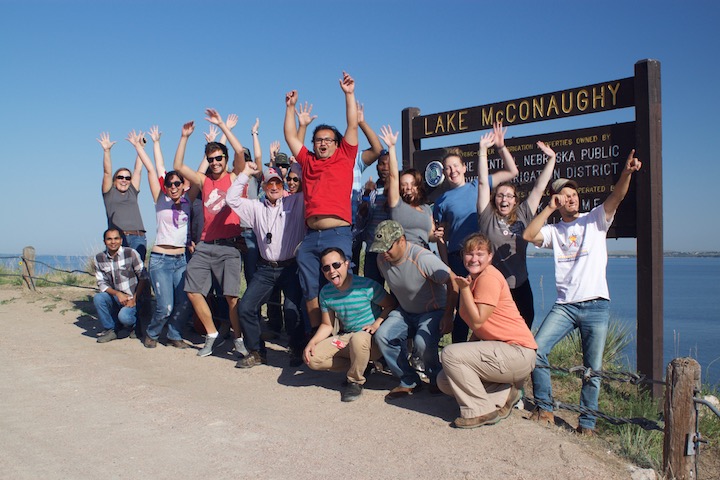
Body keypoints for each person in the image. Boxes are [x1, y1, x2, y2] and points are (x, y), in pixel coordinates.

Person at [522, 149, 642, 435]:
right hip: (565, 305)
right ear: (558, 201)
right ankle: (545, 408)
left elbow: (618, 197)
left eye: (573, 194)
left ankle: (586, 424)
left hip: (596, 305)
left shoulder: (596, 219)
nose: (571, 198)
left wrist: (626, 173)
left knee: (593, 370)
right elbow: (528, 235)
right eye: (564, 196)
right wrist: (549, 208)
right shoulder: (554, 230)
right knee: (536, 350)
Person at [283, 71, 358, 332]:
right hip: (310, 236)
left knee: (341, 282)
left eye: (328, 140)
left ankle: (351, 336)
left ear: (337, 144)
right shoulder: (308, 161)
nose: (323, 143)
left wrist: (349, 94)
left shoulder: (345, 157)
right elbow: (291, 137)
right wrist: (290, 108)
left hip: (337, 233)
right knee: (310, 288)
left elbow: (351, 126)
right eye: (318, 140)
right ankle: (319, 337)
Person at [437, 233, 537, 428]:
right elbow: (481, 329)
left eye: (480, 254)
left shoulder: (488, 277)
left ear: (490, 256)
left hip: (517, 352)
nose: (474, 258)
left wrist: (463, 290)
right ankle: (505, 392)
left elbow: (478, 319)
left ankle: (480, 411)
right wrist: (466, 354)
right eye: (469, 253)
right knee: (444, 379)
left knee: (449, 354)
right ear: (463, 256)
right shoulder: (474, 279)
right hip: (502, 353)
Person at [173, 111, 247, 358]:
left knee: (231, 297)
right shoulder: (204, 182)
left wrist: (223, 126)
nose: (215, 162)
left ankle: (238, 338)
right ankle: (212, 333)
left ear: (224, 159)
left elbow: (238, 153)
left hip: (230, 246)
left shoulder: (235, 177)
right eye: (211, 159)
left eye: (218, 158)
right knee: (192, 290)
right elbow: (178, 166)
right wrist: (184, 137)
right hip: (205, 244)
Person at [434, 144, 518, 343]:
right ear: (444, 172)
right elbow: (440, 237)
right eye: (448, 168)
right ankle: (458, 356)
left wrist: (500, 146)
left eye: (456, 166)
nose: (452, 170)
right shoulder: (441, 201)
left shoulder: (478, 185)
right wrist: (447, 267)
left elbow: (512, 171)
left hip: (483, 258)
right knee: (463, 311)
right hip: (458, 259)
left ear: (464, 167)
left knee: (486, 308)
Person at [227, 162, 307, 368]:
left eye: (278, 183)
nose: (274, 187)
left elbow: (309, 185)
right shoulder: (254, 207)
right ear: (263, 187)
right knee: (245, 307)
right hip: (265, 269)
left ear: (283, 186)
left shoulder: (296, 202)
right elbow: (231, 198)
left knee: (292, 310)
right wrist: (245, 173)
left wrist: (297, 167)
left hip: (290, 267)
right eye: (270, 183)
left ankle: (297, 349)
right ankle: (257, 352)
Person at [477, 122, 557, 328]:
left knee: (524, 325)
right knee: (493, 329)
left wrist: (552, 159)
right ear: (495, 199)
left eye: (509, 196)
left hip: (519, 283)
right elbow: (484, 183)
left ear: (515, 200)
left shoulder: (523, 214)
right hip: (493, 285)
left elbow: (540, 187)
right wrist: (483, 151)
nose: (504, 199)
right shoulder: (487, 216)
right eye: (500, 195)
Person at [370, 221, 457, 398]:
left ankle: (437, 379)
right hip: (405, 311)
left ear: (402, 240)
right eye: (380, 249)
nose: (384, 253)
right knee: (383, 335)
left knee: (422, 343)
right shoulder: (382, 260)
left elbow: (453, 281)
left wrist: (448, 315)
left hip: (433, 311)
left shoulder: (422, 258)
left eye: (388, 248)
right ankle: (409, 380)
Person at [127, 130, 193, 349]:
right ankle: (153, 333)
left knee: (183, 304)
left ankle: (174, 335)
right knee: (165, 306)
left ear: (184, 185)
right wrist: (140, 147)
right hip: (160, 260)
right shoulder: (160, 200)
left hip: (181, 260)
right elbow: (152, 169)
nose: (173, 187)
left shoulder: (188, 202)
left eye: (177, 183)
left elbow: (201, 173)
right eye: (170, 184)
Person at [304, 247, 396, 402]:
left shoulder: (366, 285)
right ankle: (361, 365)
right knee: (312, 359)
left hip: (370, 339)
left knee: (359, 339)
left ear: (346, 264)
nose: (332, 271)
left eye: (336, 265)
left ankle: (355, 381)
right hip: (347, 337)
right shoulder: (326, 293)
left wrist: (377, 324)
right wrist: (312, 343)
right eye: (326, 268)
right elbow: (327, 325)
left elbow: (391, 305)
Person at [378, 125, 437, 249]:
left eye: (412, 184)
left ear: (418, 187)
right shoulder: (397, 205)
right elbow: (393, 176)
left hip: (424, 252)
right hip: (405, 253)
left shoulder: (426, 209)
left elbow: (430, 235)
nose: (409, 188)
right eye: (404, 185)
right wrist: (392, 148)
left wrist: (437, 235)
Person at [97, 132, 148, 261]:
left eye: (127, 178)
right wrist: (107, 151)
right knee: (120, 275)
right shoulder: (109, 193)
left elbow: (138, 170)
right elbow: (107, 172)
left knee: (138, 275)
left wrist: (140, 147)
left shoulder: (132, 191)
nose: (124, 180)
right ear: (115, 180)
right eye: (120, 177)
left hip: (138, 238)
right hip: (117, 239)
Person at [93, 228, 147, 343]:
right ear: (104, 241)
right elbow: (101, 283)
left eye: (116, 238)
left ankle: (134, 325)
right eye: (109, 239)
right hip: (114, 297)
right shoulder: (99, 258)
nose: (113, 242)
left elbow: (143, 276)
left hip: (132, 297)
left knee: (125, 317)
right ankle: (111, 329)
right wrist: (117, 294)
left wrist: (134, 299)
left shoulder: (131, 253)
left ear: (121, 240)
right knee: (98, 298)